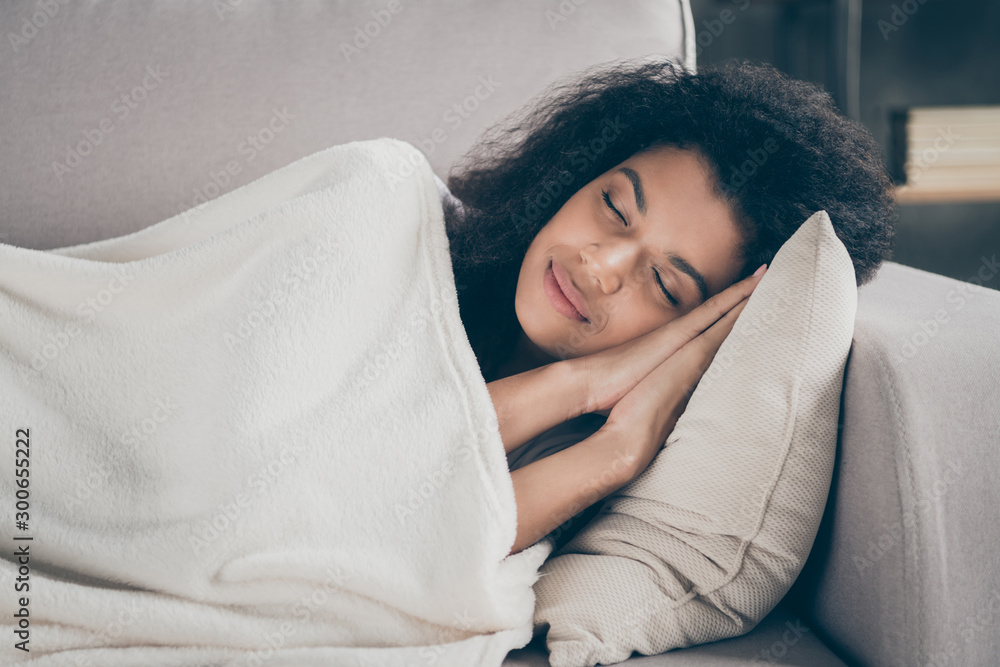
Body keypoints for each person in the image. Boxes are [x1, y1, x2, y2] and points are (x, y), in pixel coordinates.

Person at [438, 57, 896, 556]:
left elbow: (425, 545)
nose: (601, 267)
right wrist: (584, 383)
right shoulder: (405, 238)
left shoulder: (584, 461)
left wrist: (617, 448)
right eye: (614, 208)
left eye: (663, 283)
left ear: (707, 330)